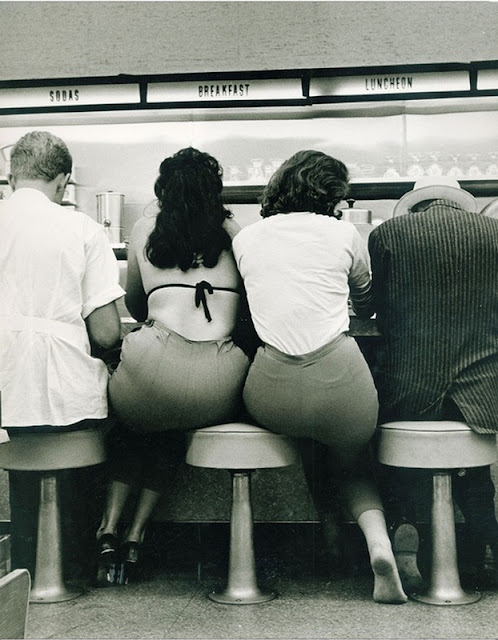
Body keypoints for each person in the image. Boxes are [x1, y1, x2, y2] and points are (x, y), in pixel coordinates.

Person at [232, 150, 407, 604]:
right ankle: (378, 544)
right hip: (340, 380)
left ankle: (328, 537)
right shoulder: (344, 233)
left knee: (310, 442)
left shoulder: (247, 237)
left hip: (272, 391)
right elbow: (365, 302)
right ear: (331, 195)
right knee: (352, 460)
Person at [96, 147, 250, 582]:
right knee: (174, 426)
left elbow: (134, 303)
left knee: (136, 422)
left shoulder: (145, 227)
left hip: (151, 368)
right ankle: (137, 535)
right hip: (216, 379)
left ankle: (108, 527)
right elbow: (250, 306)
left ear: (163, 189)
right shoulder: (234, 232)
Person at [0, 130, 124, 578]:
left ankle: (26, 564)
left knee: (22, 435)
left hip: (4, 399)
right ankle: (76, 561)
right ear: (63, 182)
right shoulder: (83, 229)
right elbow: (107, 332)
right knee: (114, 420)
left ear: (12, 177)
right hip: (64, 391)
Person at [368, 175, 498, 590]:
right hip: (482, 391)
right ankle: (486, 543)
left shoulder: (387, 234)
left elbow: (374, 306)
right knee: (473, 469)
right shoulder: (494, 232)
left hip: (408, 385)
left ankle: (404, 523)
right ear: (459, 204)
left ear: (415, 206)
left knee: (386, 452)